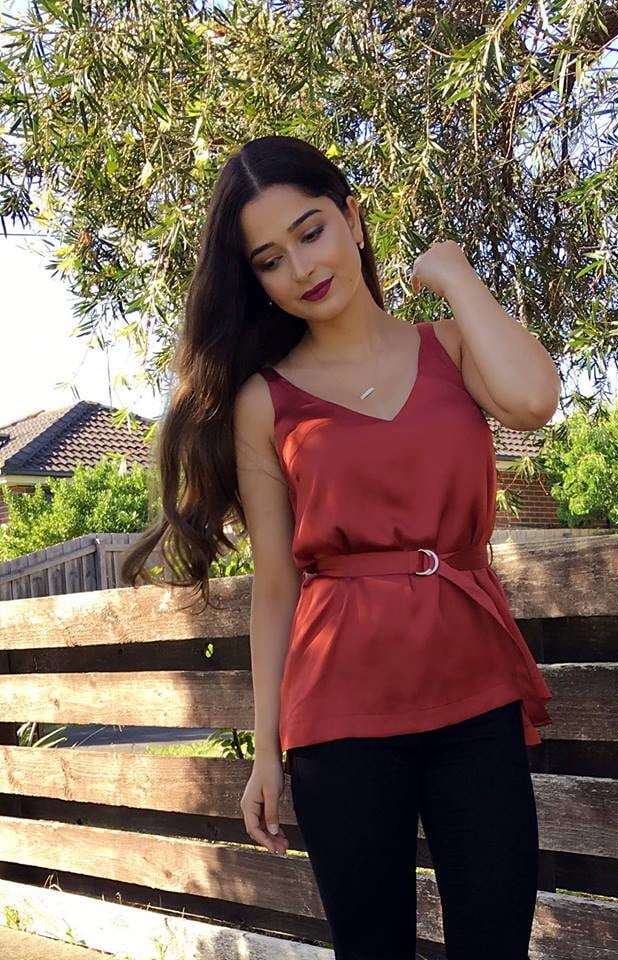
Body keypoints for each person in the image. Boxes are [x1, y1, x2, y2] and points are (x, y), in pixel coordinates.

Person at [122, 135, 558, 959]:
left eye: (311, 231)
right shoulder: (264, 401)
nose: (300, 268)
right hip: (339, 714)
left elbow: (533, 400)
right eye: (269, 260)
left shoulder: (449, 346)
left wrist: (456, 275)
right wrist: (265, 752)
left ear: (353, 220)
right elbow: (276, 584)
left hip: (475, 695)